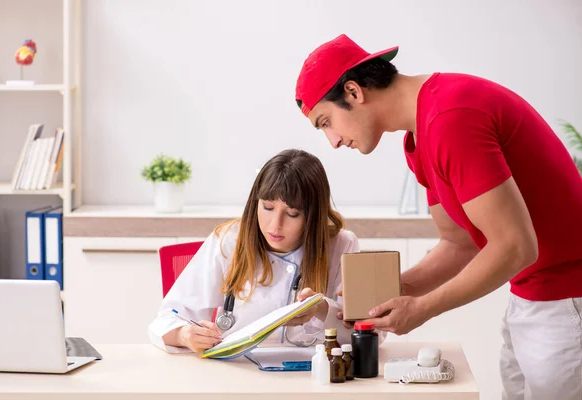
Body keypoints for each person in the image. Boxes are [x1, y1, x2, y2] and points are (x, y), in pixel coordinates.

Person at [295, 34, 582, 399]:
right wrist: (398, 288)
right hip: (531, 297)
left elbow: (515, 246)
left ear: (353, 92)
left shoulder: (450, 117)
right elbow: (459, 243)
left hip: (567, 300)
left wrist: (422, 309)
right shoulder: (419, 139)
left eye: (325, 121)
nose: (332, 141)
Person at [148, 148, 361, 354]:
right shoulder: (228, 241)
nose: (275, 225)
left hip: (312, 377)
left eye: (293, 213)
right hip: (239, 374)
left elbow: (371, 333)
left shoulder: (341, 245)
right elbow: (166, 319)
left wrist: (321, 308)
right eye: (268, 208)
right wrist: (185, 335)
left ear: (313, 216)